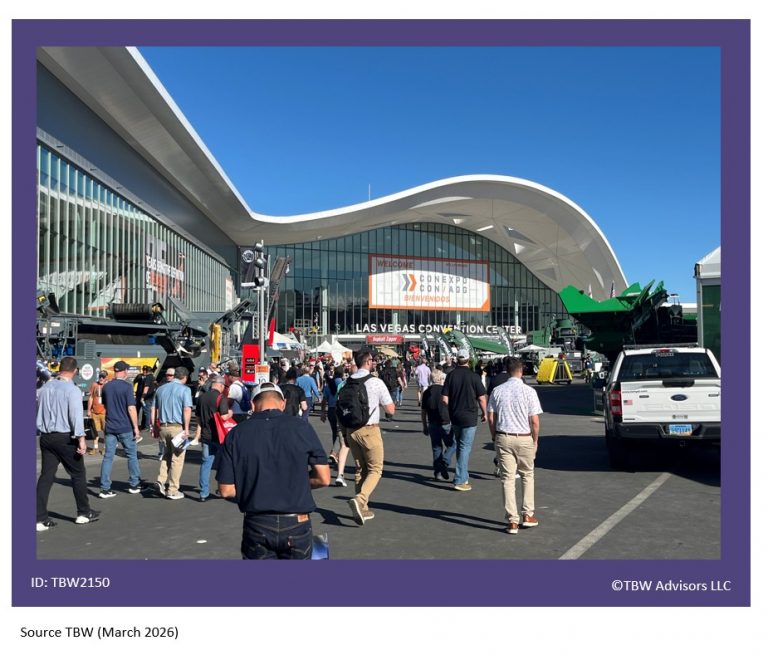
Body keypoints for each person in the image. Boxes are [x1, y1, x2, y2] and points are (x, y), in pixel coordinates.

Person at [216, 382, 331, 559]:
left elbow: (226, 489)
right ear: (283, 403)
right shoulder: (301, 427)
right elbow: (323, 478)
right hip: (296, 520)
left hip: (257, 521)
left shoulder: (236, 434)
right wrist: (294, 482)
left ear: (253, 405)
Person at [36, 356, 101, 530]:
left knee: (46, 476)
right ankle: (83, 512)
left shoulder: (45, 387)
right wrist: (81, 439)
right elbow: (75, 416)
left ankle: (39, 518)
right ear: (75, 371)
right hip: (65, 437)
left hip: (46, 436)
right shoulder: (72, 390)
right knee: (78, 474)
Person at [339, 350, 395, 526]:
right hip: (369, 429)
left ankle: (363, 509)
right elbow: (390, 409)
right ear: (369, 361)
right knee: (375, 469)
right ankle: (360, 499)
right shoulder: (375, 382)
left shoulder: (347, 382)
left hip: (351, 430)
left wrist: (344, 434)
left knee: (360, 469)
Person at [487, 357, 543, 534]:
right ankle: (528, 514)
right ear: (521, 371)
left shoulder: (497, 390)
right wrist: (535, 440)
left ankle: (512, 520)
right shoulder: (529, 391)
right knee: (527, 474)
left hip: (504, 436)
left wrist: (494, 435)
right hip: (524, 436)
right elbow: (534, 420)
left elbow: (490, 417)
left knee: (507, 478)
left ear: (507, 370)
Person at [441, 348, 487, 492]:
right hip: (470, 416)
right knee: (465, 447)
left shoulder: (451, 376)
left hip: (455, 416)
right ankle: (460, 479)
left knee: (461, 445)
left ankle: (463, 475)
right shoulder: (474, 376)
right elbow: (481, 398)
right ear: (468, 359)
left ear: (457, 359)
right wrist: (484, 412)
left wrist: (452, 406)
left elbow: (444, 398)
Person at [98, 360, 143, 498]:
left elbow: (105, 405)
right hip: (125, 426)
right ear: (125, 371)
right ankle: (134, 484)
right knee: (131, 455)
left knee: (108, 457)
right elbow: (131, 407)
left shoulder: (106, 387)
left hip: (110, 426)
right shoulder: (127, 387)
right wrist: (136, 427)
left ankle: (104, 488)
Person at [151, 366, 193, 500]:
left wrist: (154, 426)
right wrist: (186, 429)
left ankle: (160, 480)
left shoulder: (161, 389)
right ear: (184, 377)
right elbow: (187, 409)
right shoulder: (185, 390)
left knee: (166, 455)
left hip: (163, 426)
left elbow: (154, 409)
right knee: (177, 458)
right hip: (177, 428)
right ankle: (173, 489)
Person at [194, 374, 231, 502]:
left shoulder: (202, 398)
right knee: (223, 463)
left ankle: (203, 493)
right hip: (219, 437)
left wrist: (198, 435)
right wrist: (231, 412)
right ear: (220, 385)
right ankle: (221, 489)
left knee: (206, 464)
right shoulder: (221, 398)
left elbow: (198, 418)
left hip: (206, 436)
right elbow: (225, 417)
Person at [421, 368, 455, 481]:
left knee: (436, 448)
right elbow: (451, 407)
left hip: (432, 422)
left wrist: (424, 426)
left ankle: (437, 472)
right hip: (445, 421)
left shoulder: (426, 392)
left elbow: (423, 411)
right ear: (441, 379)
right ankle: (444, 462)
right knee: (452, 444)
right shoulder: (445, 390)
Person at [320, 365, 349, 487]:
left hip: (331, 410)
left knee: (334, 431)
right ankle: (334, 452)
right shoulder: (342, 383)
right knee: (340, 432)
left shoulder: (328, 384)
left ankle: (335, 454)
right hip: (339, 409)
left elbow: (324, 399)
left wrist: (323, 412)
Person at [86, 370, 108, 454]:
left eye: (103, 377)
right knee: (95, 431)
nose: (101, 378)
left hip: (104, 412)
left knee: (106, 431)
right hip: (94, 412)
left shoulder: (108, 385)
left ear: (106, 378)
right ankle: (95, 448)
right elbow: (91, 397)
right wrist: (88, 410)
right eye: (100, 376)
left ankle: (105, 448)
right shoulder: (94, 385)